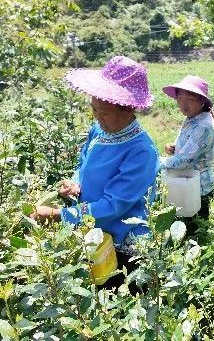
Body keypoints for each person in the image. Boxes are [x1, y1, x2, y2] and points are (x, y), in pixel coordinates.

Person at [30, 55, 159, 290]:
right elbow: (84, 164)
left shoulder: (142, 152)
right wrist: (75, 183)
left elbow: (113, 206)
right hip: (94, 232)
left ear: (128, 109)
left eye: (105, 112)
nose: (98, 117)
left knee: (119, 302)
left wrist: (60, 214)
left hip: (123, 245)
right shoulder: (98, 131)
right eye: (94, 109)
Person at [160, 75, 214, 235]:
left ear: (201, 101)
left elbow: (185, 160)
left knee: (195, 233)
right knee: (184, 228)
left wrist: (156, 162)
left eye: (189, 99)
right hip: (188, 183)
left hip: (199, 187)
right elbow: (190, 149)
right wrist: (175, 147)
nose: (183, 104)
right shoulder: (192, 118)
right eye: (179, 98)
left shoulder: (204, 126)